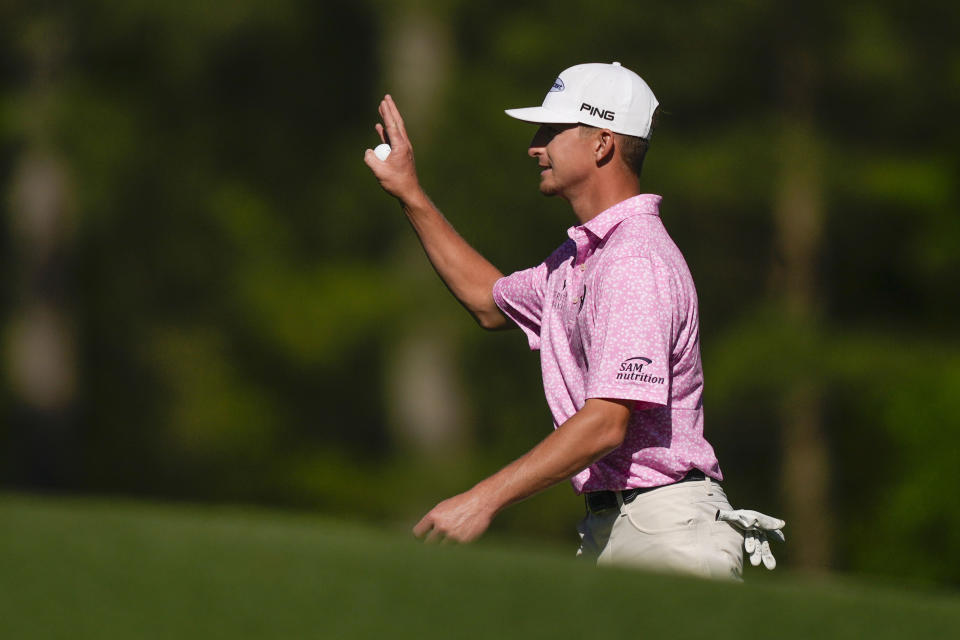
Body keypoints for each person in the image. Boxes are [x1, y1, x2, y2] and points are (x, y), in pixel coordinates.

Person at [363, 61, 784, 579]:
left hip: (667, 532)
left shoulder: (634, 260)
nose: (535, 147)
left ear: (602, 143)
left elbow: (607, 422)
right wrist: (410, 192)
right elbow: (488, 303)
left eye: (551, 131)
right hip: (616, 529)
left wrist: (482, 499)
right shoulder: (578, 258)